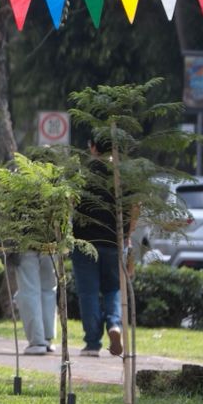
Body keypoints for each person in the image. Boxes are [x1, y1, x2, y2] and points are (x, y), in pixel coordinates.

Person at [72, 138, 124, 357]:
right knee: (113, 288)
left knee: (88, 293)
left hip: (84, 242)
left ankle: (93, 343)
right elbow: (133, 207)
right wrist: (126, 235)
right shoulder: (120, 175)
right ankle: (115, 324)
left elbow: (71, 203)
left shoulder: (82, 174)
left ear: (93, 147)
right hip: (113, 241)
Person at [13, 251, 58, 354]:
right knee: (48, 291)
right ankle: (47, 338)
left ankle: (37, 341)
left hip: (25, 247)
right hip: (50, 246)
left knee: (29, 291)